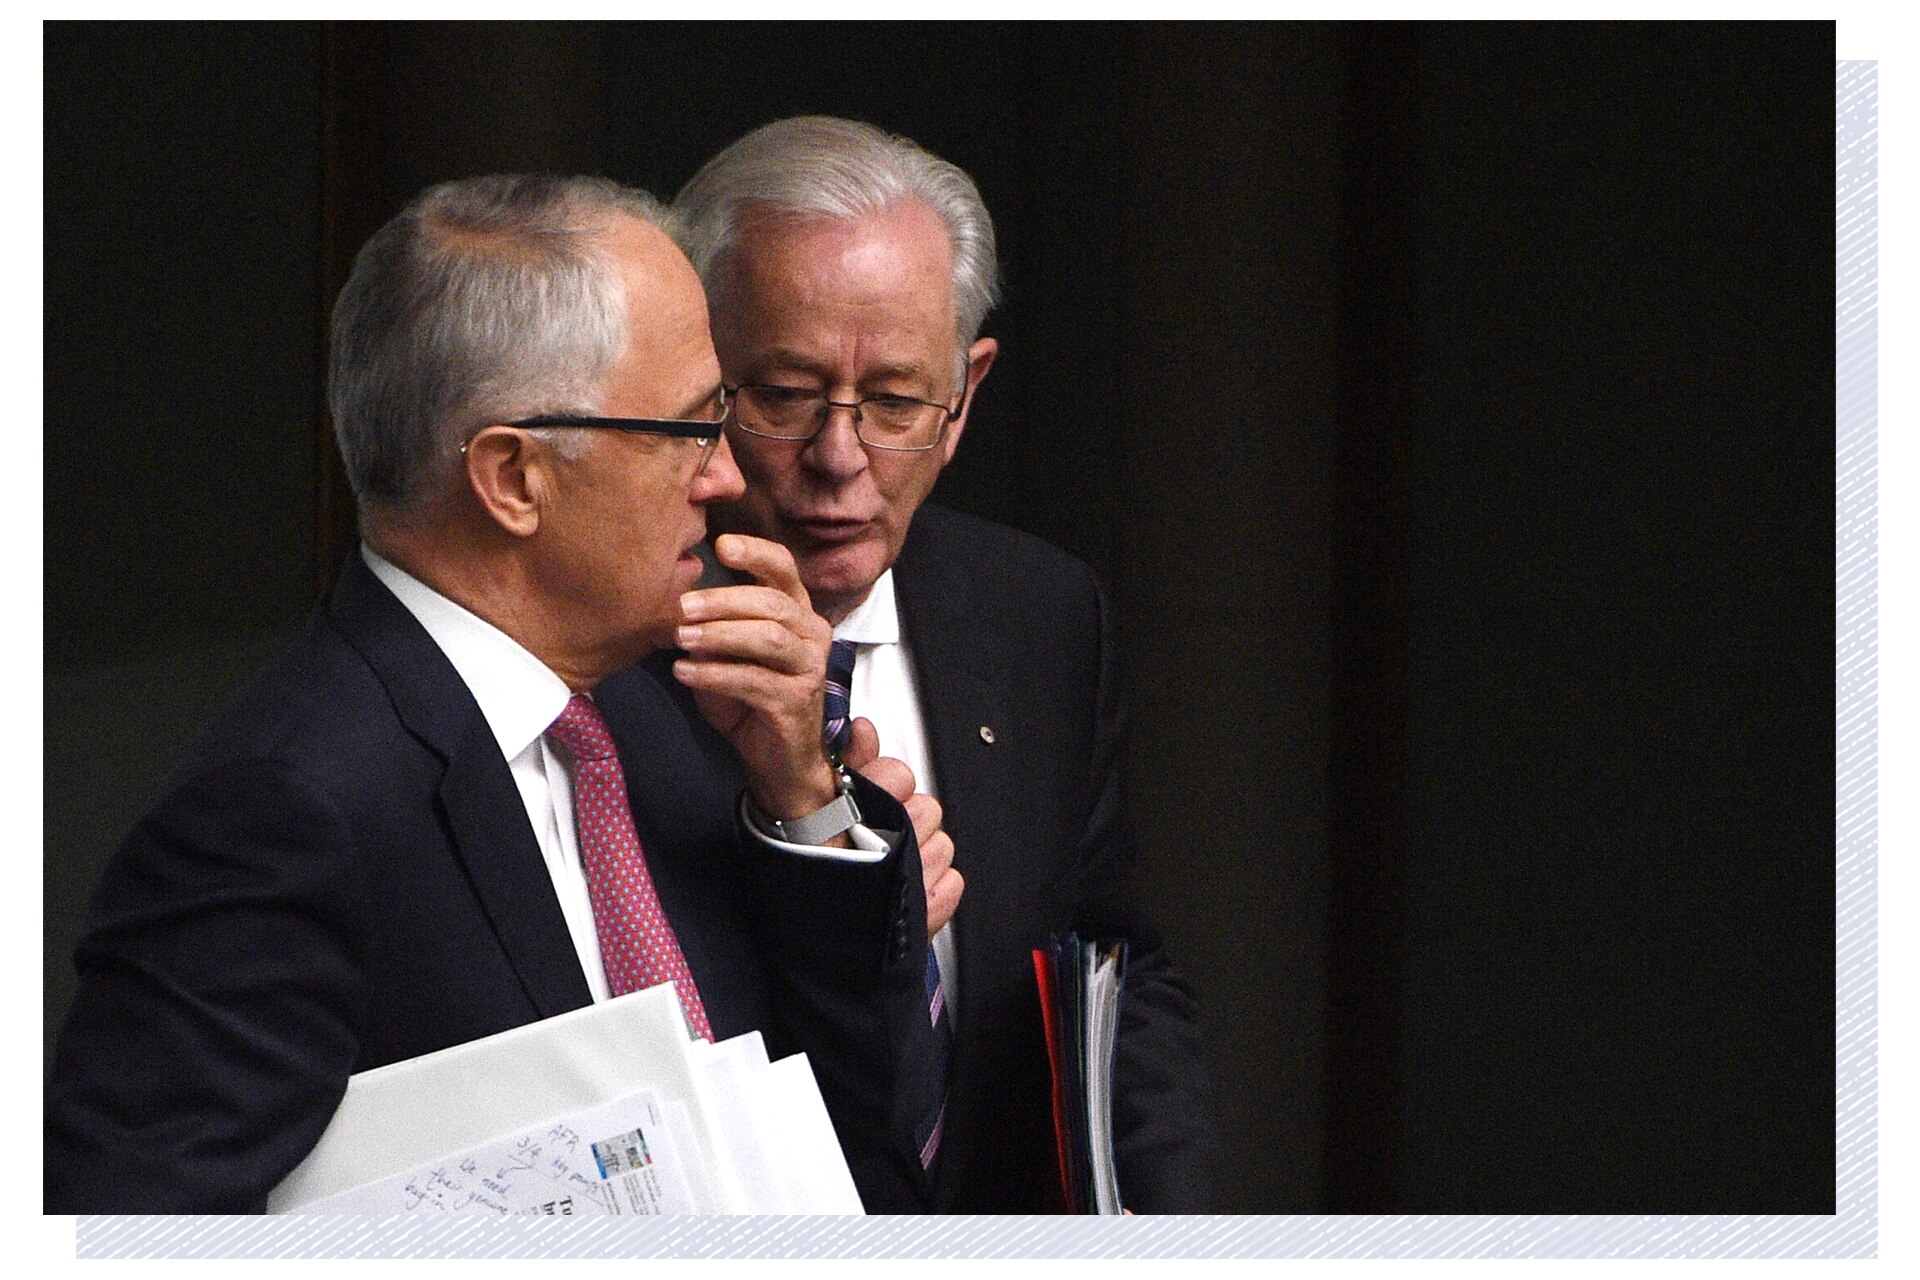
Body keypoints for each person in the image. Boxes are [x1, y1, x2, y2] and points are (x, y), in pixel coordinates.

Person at [45, 174, 940, 1213]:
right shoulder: (286, 807)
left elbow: (875, 1131)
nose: (727, 478)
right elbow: (123, 1227)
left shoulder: (679, 712)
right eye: (691, 427)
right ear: (514, 477)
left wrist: (806, 806)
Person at [661, 116, 1216, 1212]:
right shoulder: (619, 641)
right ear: (699, 378)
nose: (839, 457)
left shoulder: (1041, 613)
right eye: (783, 393)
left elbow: (1109, 962)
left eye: (897, 403)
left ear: (963, 398)